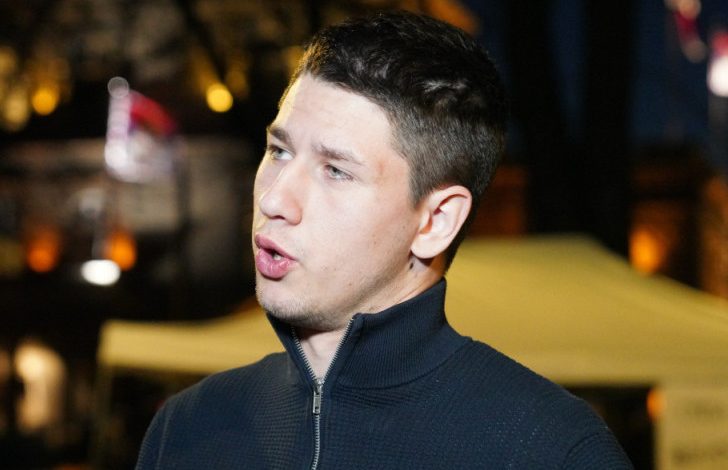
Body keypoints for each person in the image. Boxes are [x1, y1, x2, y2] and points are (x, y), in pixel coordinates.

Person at [136, 11, 633, 469]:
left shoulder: (554, 450)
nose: (275, 198)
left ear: (436, 221)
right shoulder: (185, 430)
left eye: (336, 170)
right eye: (279, 151)